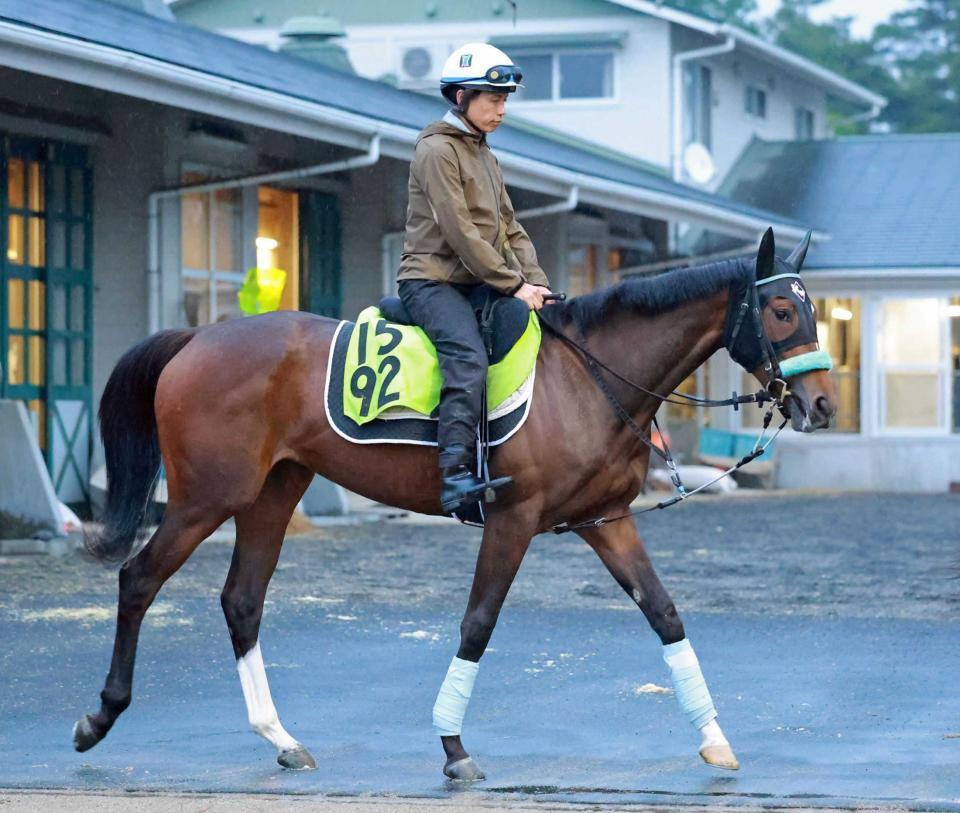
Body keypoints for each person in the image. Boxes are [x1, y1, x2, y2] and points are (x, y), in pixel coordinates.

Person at [397, 42, 553, 514]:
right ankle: (455, 477)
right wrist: (513, 285)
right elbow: (460, 233)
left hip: (476, 283)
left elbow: (511, 228)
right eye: (492, 98)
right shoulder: (437, 150)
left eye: (505, 100)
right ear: (462, 96)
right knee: (467, 359)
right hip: (430, 282)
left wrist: (538, 284)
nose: (501, 109)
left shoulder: (485, 155)